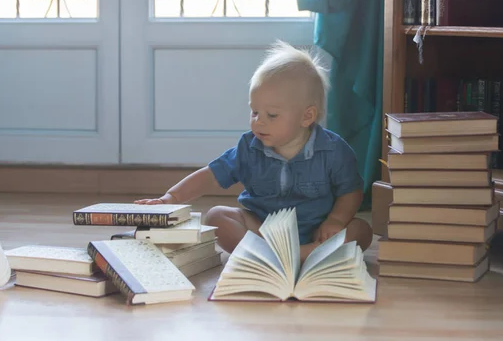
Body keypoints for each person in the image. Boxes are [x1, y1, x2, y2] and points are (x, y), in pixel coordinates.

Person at [135, 41, 373, 262]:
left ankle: (302, 254)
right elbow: (210, 175)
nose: (259, 122)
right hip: (262, 230)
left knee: (361, 230)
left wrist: (336, 220)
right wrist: (170, 198)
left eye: (271, 115)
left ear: (306, 116)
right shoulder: (248, 148)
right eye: (254, 112)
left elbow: (351, 192)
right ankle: (270, 254)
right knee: (217, 216)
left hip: (317, 232)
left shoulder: (334, 150)